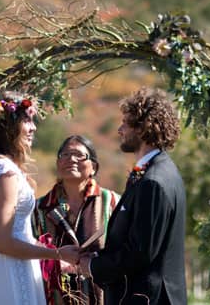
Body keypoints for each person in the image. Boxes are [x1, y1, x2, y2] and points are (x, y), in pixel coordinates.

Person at [0, 90, 80, 305]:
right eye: (27, 120)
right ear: (7, 125)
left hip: (1, 263)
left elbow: (15, 233)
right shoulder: (4, 172)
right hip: (7, 268)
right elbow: (3, 242)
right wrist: (57, 254)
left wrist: (50, 254)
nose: (33, 127)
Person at [80, 88, 187, 305]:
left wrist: (92, 267)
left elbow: (140, 252)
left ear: (143, 128)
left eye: (126, 123)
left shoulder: (154, 182)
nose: (120, 129)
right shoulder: (158, 171)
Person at [33, 135, 120, 305]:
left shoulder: (111, 202)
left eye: (79, 155)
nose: (71, 159)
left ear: (93, 167)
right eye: (65, 155)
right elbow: (30, 251)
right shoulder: (39, 209)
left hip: (103, 295)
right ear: (58, 164)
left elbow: (124, 251)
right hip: (53, 297)